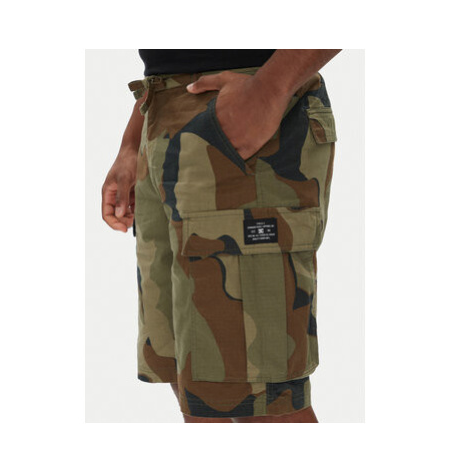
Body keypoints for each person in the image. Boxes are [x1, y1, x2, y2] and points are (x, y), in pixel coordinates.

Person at [102, 49, 341, 423]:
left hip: (244, 109)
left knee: (258, 399)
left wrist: (269, 90)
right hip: (162, 112)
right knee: (196, 384)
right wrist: (133, 140)